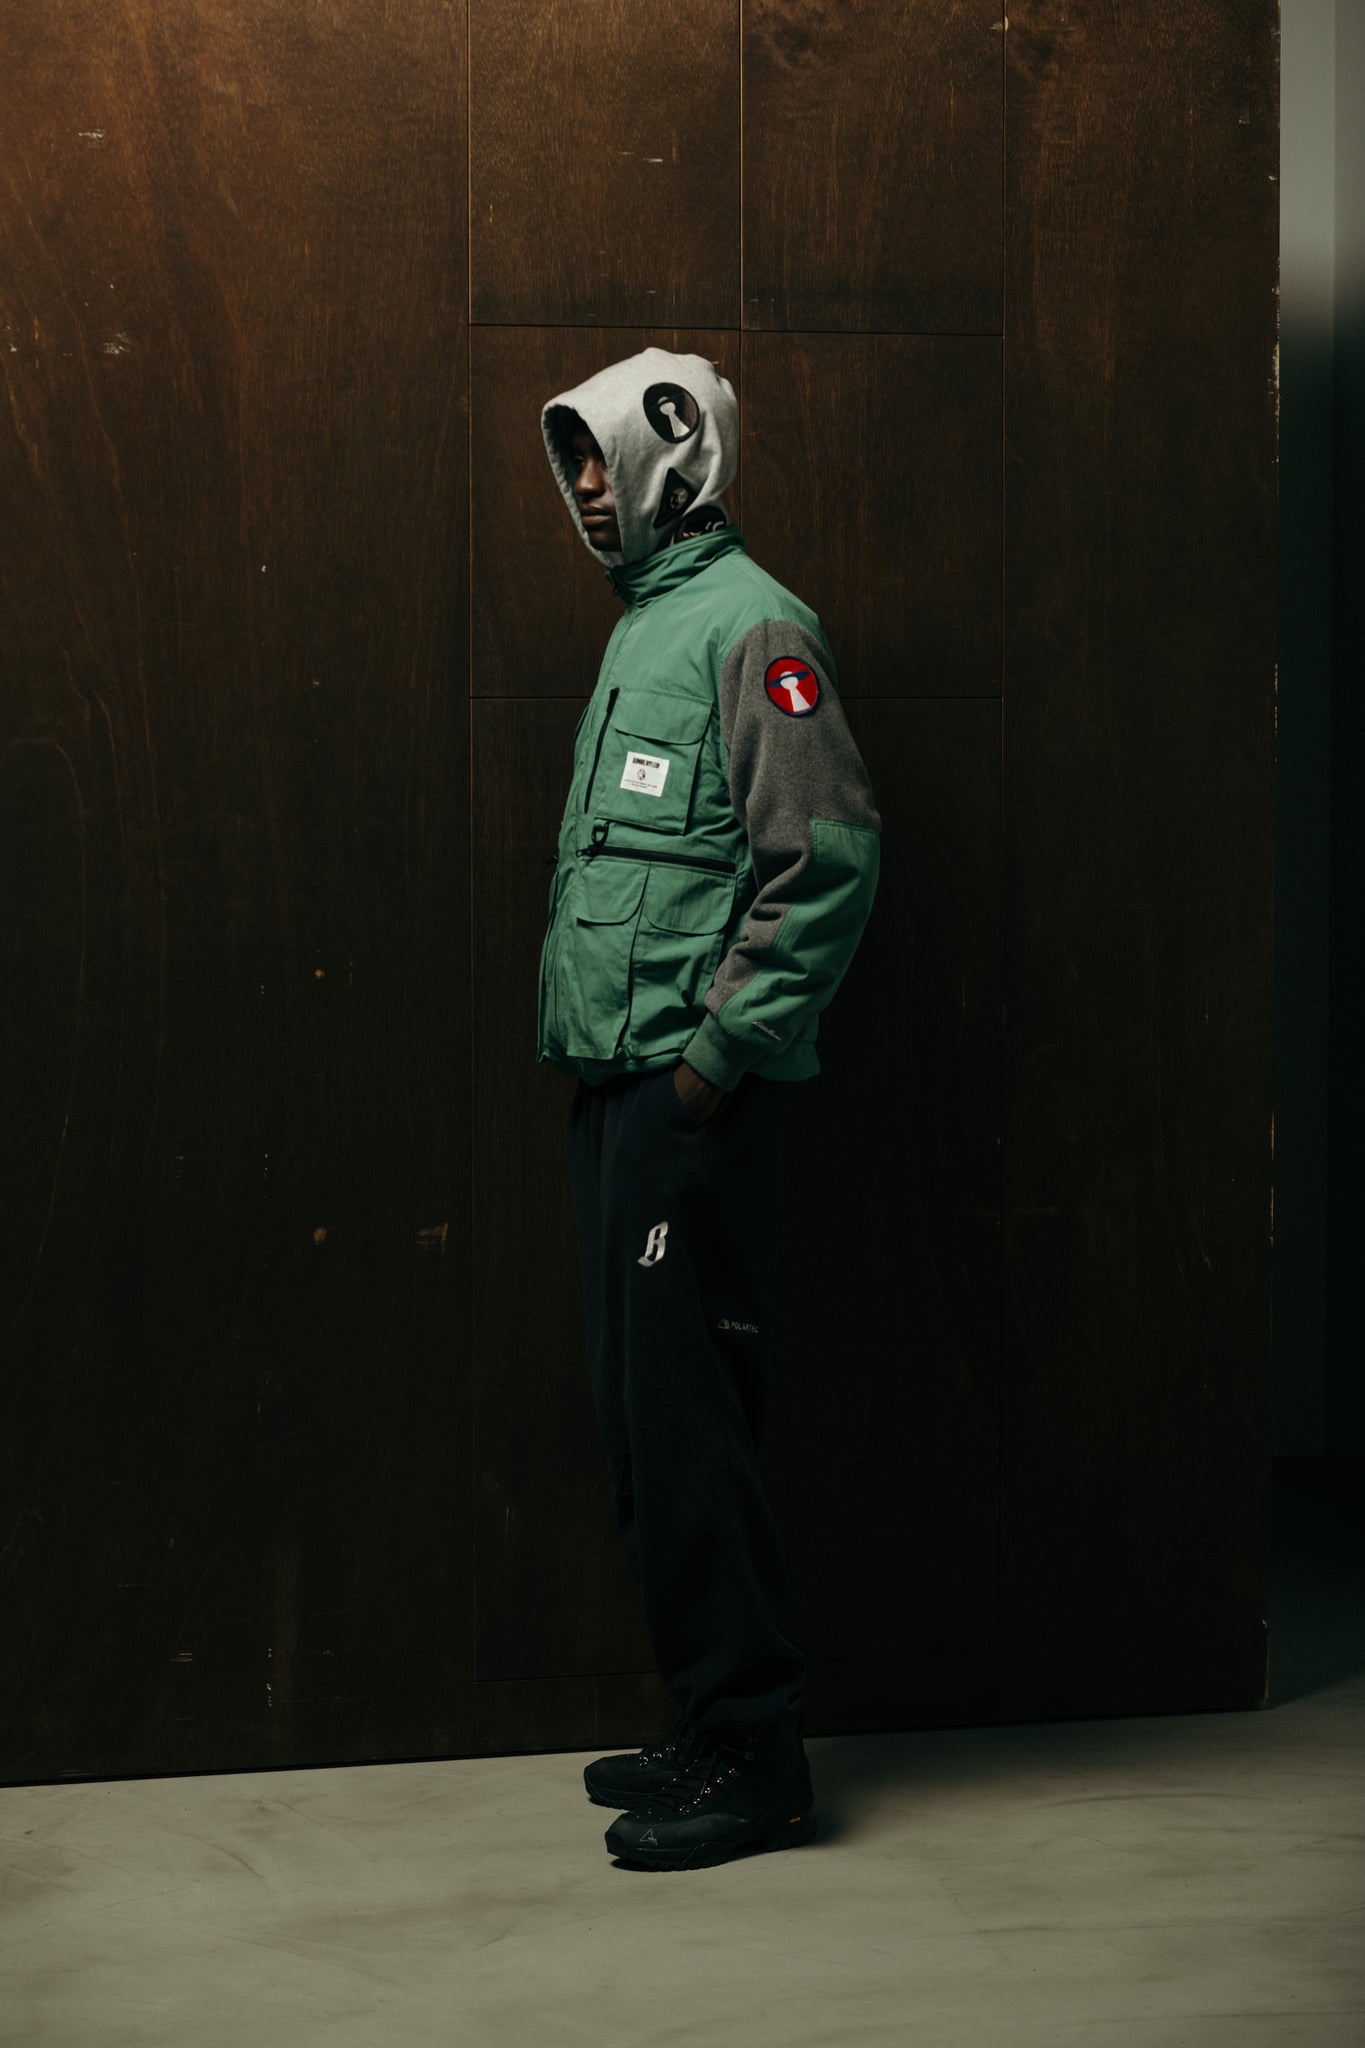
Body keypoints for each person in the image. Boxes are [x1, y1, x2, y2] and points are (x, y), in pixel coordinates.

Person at [536, 346, 882, 1871]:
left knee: (688, 1430)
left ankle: (756, 1758)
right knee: (639, 1428)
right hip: (618, 1085)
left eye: (599, 453)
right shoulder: (650, 622)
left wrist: (710, 1063)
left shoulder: (754, 627)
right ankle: (705, 1718)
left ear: (676, 453)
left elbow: (827, 861)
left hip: (691, 1100)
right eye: (569, 459)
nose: (582, 484)